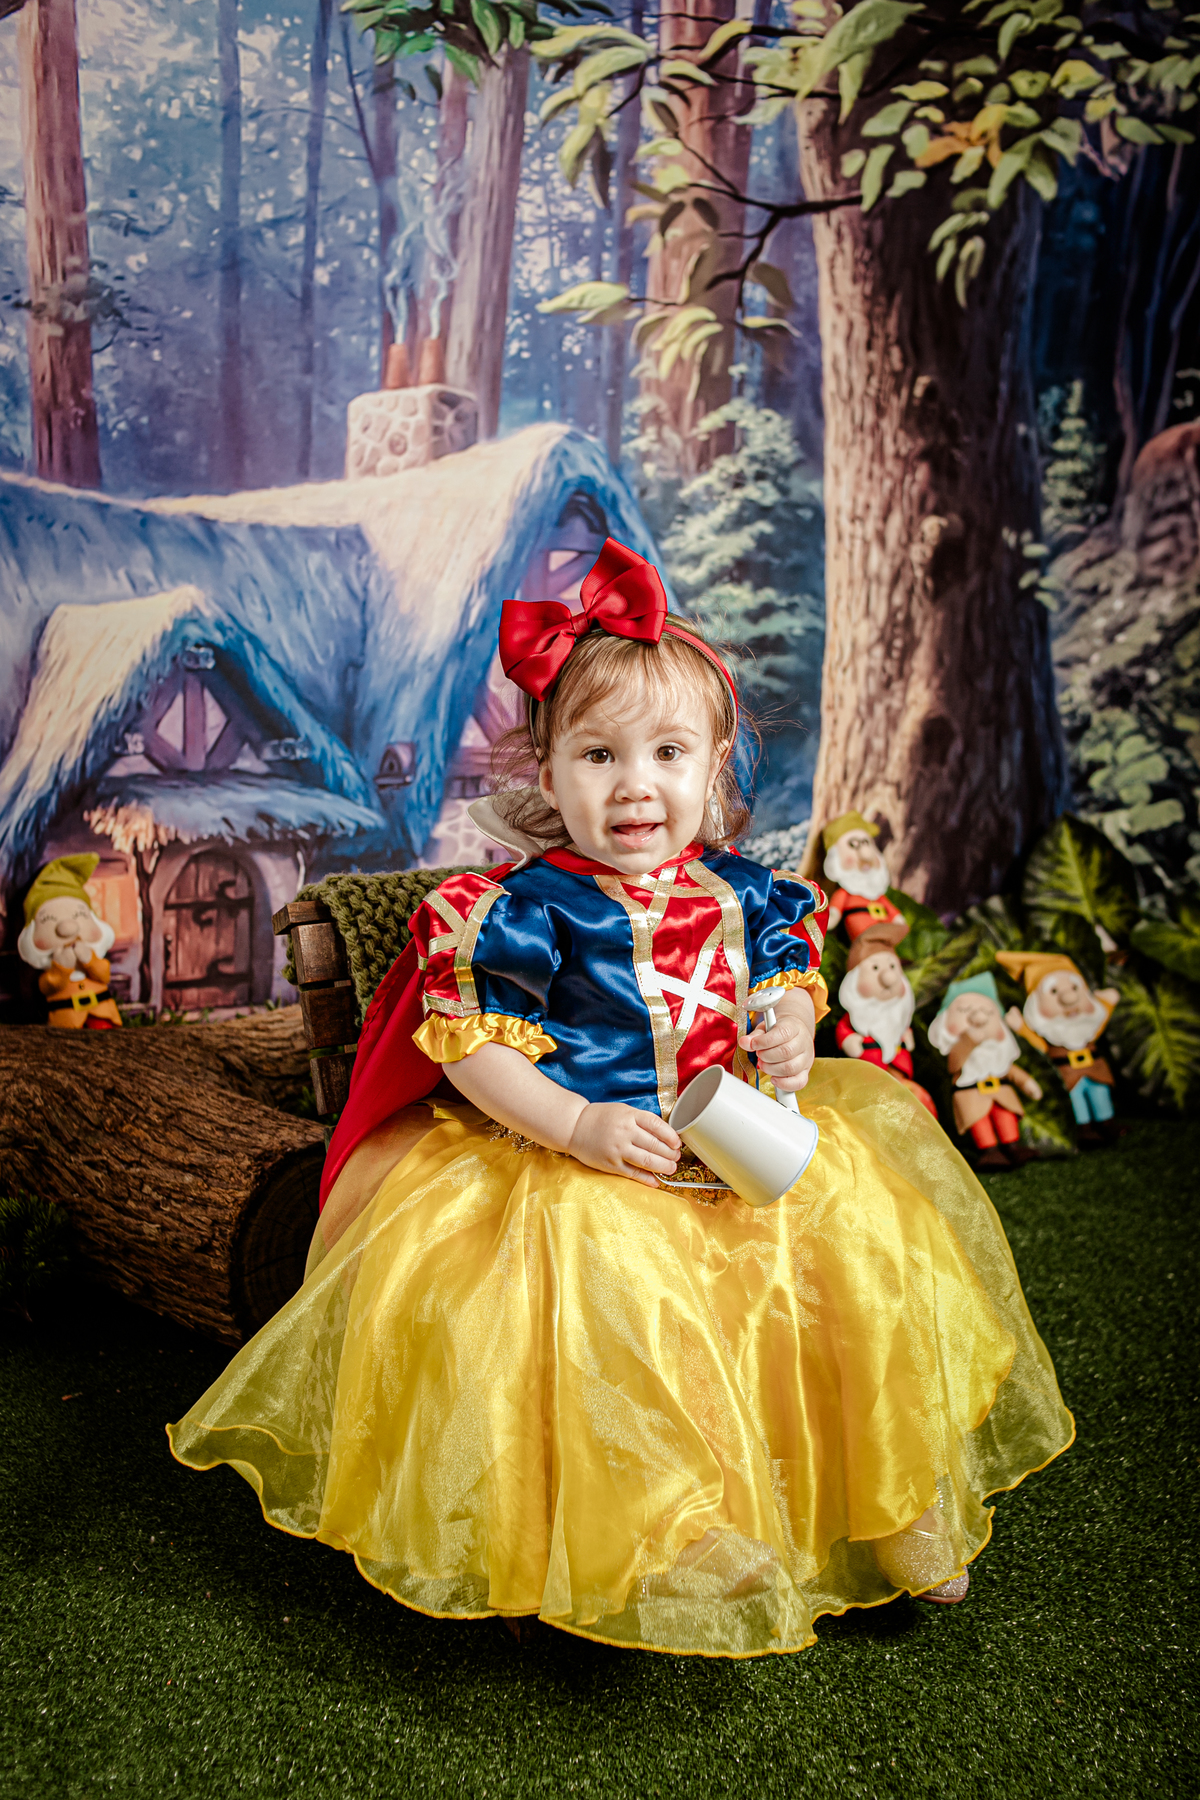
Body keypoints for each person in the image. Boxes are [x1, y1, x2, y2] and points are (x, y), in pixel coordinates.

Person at [169, 540, 1074, 1658]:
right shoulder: (523, 910)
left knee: (865, 1254)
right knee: (620, 1302)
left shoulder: (745, 891)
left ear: (715, 769)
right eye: (598, 755)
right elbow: (467, 1050)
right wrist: (574, 1124)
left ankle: (895, 1490)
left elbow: (793, 982)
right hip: (582, 1154)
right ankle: (676, 1525)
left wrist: (790, 1030)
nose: (635, 784)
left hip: (738, 1141)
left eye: (667, 753)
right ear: (547, 777)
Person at [997, 951, 1122, 1145]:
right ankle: (1084, 1128)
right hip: (1068, 1074)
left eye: (1074, 988)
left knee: (1100, 1093)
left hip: (1095, 1068)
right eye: (1054, 992)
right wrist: (1021, 1027)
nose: (1070, 999)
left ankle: (1107, 1122)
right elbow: (1038, 1044)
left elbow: (1096, 1023)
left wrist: (1107, 1004)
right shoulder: (1050, 1033)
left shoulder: (1085, 1026)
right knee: (1076, 1099)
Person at [927, 974, 1043, 1169]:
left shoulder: (999, 1055)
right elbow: (954, 1066)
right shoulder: (960, 1049)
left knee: (1005, 1116)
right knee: (979, 1121)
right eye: (965, 1011)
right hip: (971, 1094)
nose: (978, 1018)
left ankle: (1012, 1146)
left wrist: (1027, 1083)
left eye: (987, 1012)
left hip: (1001, 1091)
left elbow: (1010, 1070)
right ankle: (990, 1151)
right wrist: (967, 1041)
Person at [835, 923, 938, 1117]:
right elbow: (844, 1030)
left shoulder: (899, 1018)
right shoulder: (856, 1018)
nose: (889, 977)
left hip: (899, 1078)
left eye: (892, 967)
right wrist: (848, 1040)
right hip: (868, 1078)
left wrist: (906, 1037)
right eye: (875, 968)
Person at [17, 854, 123, 1029]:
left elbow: (104, 974)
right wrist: (61, 968)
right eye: (48, 920)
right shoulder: (50, 966)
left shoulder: (93, 954)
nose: (68, 928)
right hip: (66, 1020)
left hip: (103, 1014)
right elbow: (47, 986)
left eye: (80, 916)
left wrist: (90, 960)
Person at [813, 811, 905, 938]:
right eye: (853, 845)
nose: (865, 854)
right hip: (863, 942)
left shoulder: (879, 896)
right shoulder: (844, 895)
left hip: (886, 940)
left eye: (866, 843)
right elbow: (833, 916)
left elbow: (897, 918)